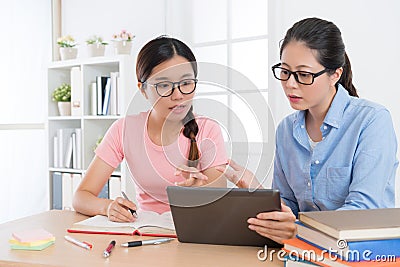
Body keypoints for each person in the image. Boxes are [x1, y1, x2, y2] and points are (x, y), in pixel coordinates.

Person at [219, 17, 398, 244]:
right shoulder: (286, 130)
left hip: (362, 252)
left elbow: (362, 213)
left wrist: (297, 229)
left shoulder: (371, 121)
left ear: (335, 74)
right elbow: (289, 208)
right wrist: (258, 193)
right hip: (304, 251)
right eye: (284, 72)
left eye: (304, 75)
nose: (290, 84)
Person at [73, 36, 228, 222]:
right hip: (146, 231)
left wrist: (198, 190)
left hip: (195, 230)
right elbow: (81, 196)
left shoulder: (208, 129)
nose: (178, 95)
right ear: (143, 89)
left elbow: (219, 188)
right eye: (164, 85)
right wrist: (107, 207)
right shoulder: (124, 129)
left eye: (186, 83)